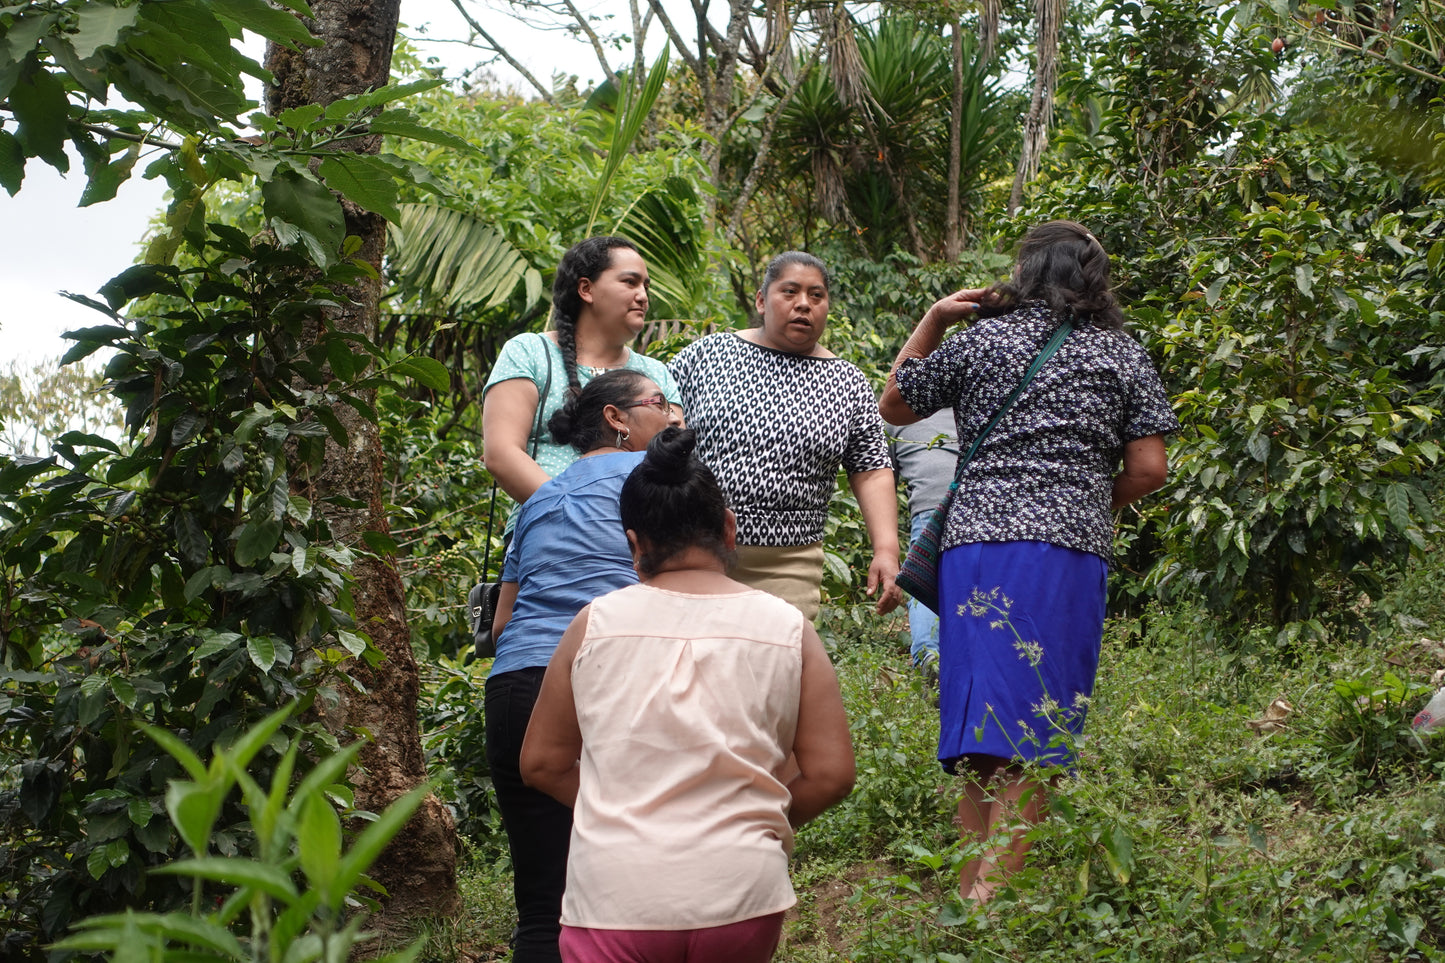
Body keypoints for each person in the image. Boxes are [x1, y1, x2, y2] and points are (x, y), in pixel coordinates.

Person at [878, 220, 1179, 904]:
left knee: (979, 736)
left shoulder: (980, 339)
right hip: (1062, 552)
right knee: (1034, 730)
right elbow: (1149, 467)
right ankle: (991, 916)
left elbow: (894, 404)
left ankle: (965, 904)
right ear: (1093, 279)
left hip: (973, 549)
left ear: (1024, 273)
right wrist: (1081, 497)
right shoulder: (1120, 354)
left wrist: (932, 318)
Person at [520, 427, 856, 963]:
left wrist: (622, 808)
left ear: (635, 543)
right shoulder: (789, 627)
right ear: (729, 527)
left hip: (614, 892)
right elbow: (833, 774)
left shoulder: (595, 625)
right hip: (742, 891)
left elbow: (542, 763)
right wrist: (749, 818)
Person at [486, 369, 682, 963]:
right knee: (635, 900)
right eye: (658, 403)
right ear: (617, 419)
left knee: (544, 908)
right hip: (611, 676)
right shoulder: (656, 482)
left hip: (517, 686)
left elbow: (500, 626)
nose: (673, 415)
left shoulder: (540, 499)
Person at [667, 251, 902, 620]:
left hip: (789, 565)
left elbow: (871, 468)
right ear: (762, 300)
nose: (803, 305)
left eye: (816, 295)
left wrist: (886, 549)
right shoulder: (706, 356)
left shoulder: (847, 381)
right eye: (789, 292)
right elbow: (655, 431)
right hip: (691, 549)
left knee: (777, 670)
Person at [482, 236, 682, 528]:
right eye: (630, 282)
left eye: (645, 286)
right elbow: (501, 454)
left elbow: (674, 459)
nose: (643, 295)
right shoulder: (530, 352)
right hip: (547, 534)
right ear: (586, 289)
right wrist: (577, 516)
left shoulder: (656, 373)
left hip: (639, 542)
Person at [888, 410, 960, 671]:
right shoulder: (966, 403)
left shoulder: (895, 416)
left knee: (922, 580)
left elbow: (884, 480)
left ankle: (928, 655)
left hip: (927, 506)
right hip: (973, 501)